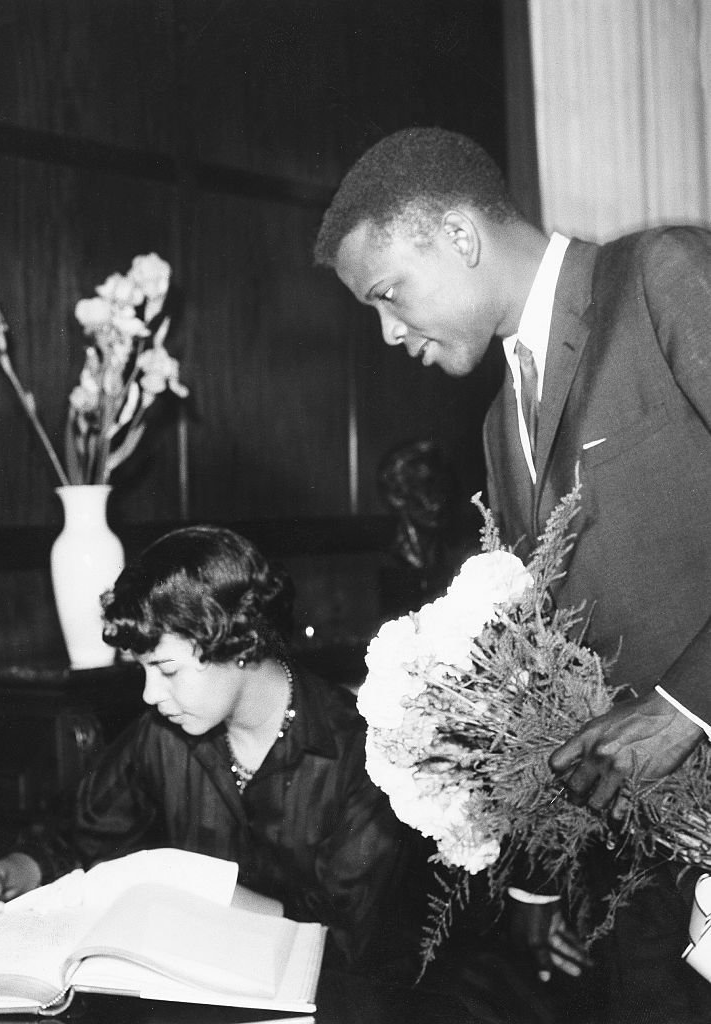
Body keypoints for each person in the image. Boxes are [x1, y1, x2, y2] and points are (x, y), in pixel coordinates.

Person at [314, 126, 711, 1021]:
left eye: (388, 294)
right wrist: (537, 883)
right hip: (653, 876)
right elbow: (540, 673)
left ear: (458, 236)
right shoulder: (501, 425)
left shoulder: (661, 275)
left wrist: (687, 708)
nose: (385, 331)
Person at [0, 525, 424, 970]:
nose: (148, 694)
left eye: (166, 670)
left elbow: (347, 939)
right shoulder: (164, 734)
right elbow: (72, 841)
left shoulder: (365, 750)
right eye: (141, 670)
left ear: (242, 646)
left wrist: (193, 886)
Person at [376, 438, 469, 615]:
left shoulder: (454, 556)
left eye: (441, 485)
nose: (437, 499)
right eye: (423, 486)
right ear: (397, 495)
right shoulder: (390, 564)